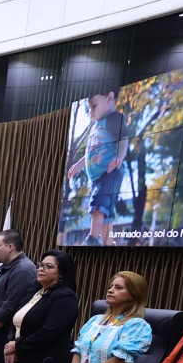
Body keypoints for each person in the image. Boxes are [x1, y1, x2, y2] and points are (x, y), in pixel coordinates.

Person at [67, 271, 154, 363]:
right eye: (111, 286)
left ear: (133, 295)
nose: (111, 290)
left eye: (118, 287)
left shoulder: (137, 325)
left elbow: (120, 360)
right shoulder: (96, 320)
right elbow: (78, 349)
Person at [3, 250, 79, 363]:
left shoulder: (65, 297)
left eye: (49, 267)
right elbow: (16, 322)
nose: (41, 269)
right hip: (22, 360)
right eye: (41, 265)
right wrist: (12, 346)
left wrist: (17, 345)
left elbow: (49, 332)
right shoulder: (36, 292)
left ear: (62, 273)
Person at [65, 90, 128, 246]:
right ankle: (108, 242)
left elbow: (124, 139)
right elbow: (90, 153)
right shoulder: (96, 127)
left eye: (94, 106)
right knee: (107, 214)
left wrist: (119, 157)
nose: (90, 112)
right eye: (89, 108)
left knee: (98, 204)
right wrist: (77, 166)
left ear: (110, 98)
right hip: (97, 178)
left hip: (110, 173)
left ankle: (92, 238)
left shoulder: (114, 118)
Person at [0, 231, 37, 363]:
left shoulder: (23, 270)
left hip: (3, 337)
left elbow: (10, 307)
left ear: (10, 247)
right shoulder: (2, 268)